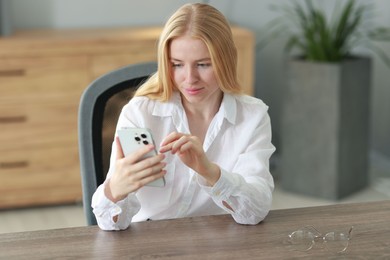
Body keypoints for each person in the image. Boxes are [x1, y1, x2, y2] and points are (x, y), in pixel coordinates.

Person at [92, 3, 275, 231]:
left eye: (203, 64)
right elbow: (110, 224)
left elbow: (255, 212)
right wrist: (114, 190)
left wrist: (210, 172)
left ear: (225, 60)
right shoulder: (140, 113)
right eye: (177, 65)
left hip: (218, 243)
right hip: (150, 242)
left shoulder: (252, 116)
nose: (190, 78)